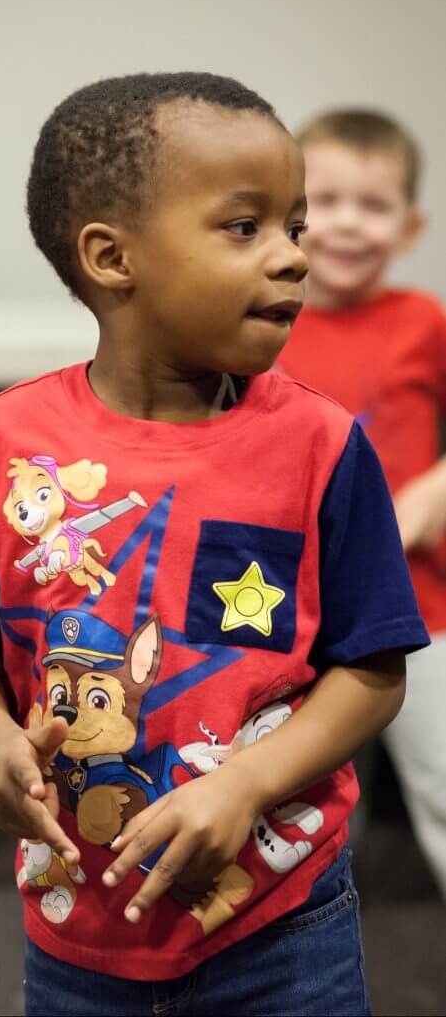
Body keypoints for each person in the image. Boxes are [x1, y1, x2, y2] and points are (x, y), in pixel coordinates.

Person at [0, 73, 429, 1016]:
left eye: (294, 226)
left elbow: (371, 671)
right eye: (245, 228)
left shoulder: (322, 444)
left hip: (284, 928)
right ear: (112, 258)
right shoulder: (0, 442)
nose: (291, 258)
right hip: (74, 936)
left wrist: (245, 786)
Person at [277, 109, 446, 899]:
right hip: (288, 611)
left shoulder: (422, 322)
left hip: (422, 604)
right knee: (303, 810)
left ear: (408, 226)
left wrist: (427, 495)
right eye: (326, 199)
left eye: (372, 205)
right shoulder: (260, 321)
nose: (347, 222)